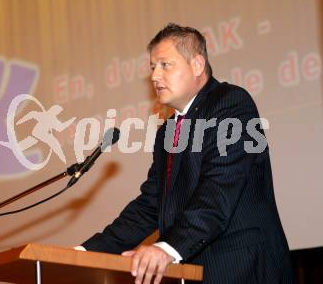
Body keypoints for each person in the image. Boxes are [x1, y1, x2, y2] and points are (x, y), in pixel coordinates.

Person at [78, 23, 294, 284]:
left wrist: (167, 248)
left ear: (197, 65)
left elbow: (219, 189)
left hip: (242, 269)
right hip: (191, 273)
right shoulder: (168, 131)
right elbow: (151, 206)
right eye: (152, 67)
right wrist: (85, 253)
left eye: (165, 65)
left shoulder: (231, 103)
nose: (155, 76)